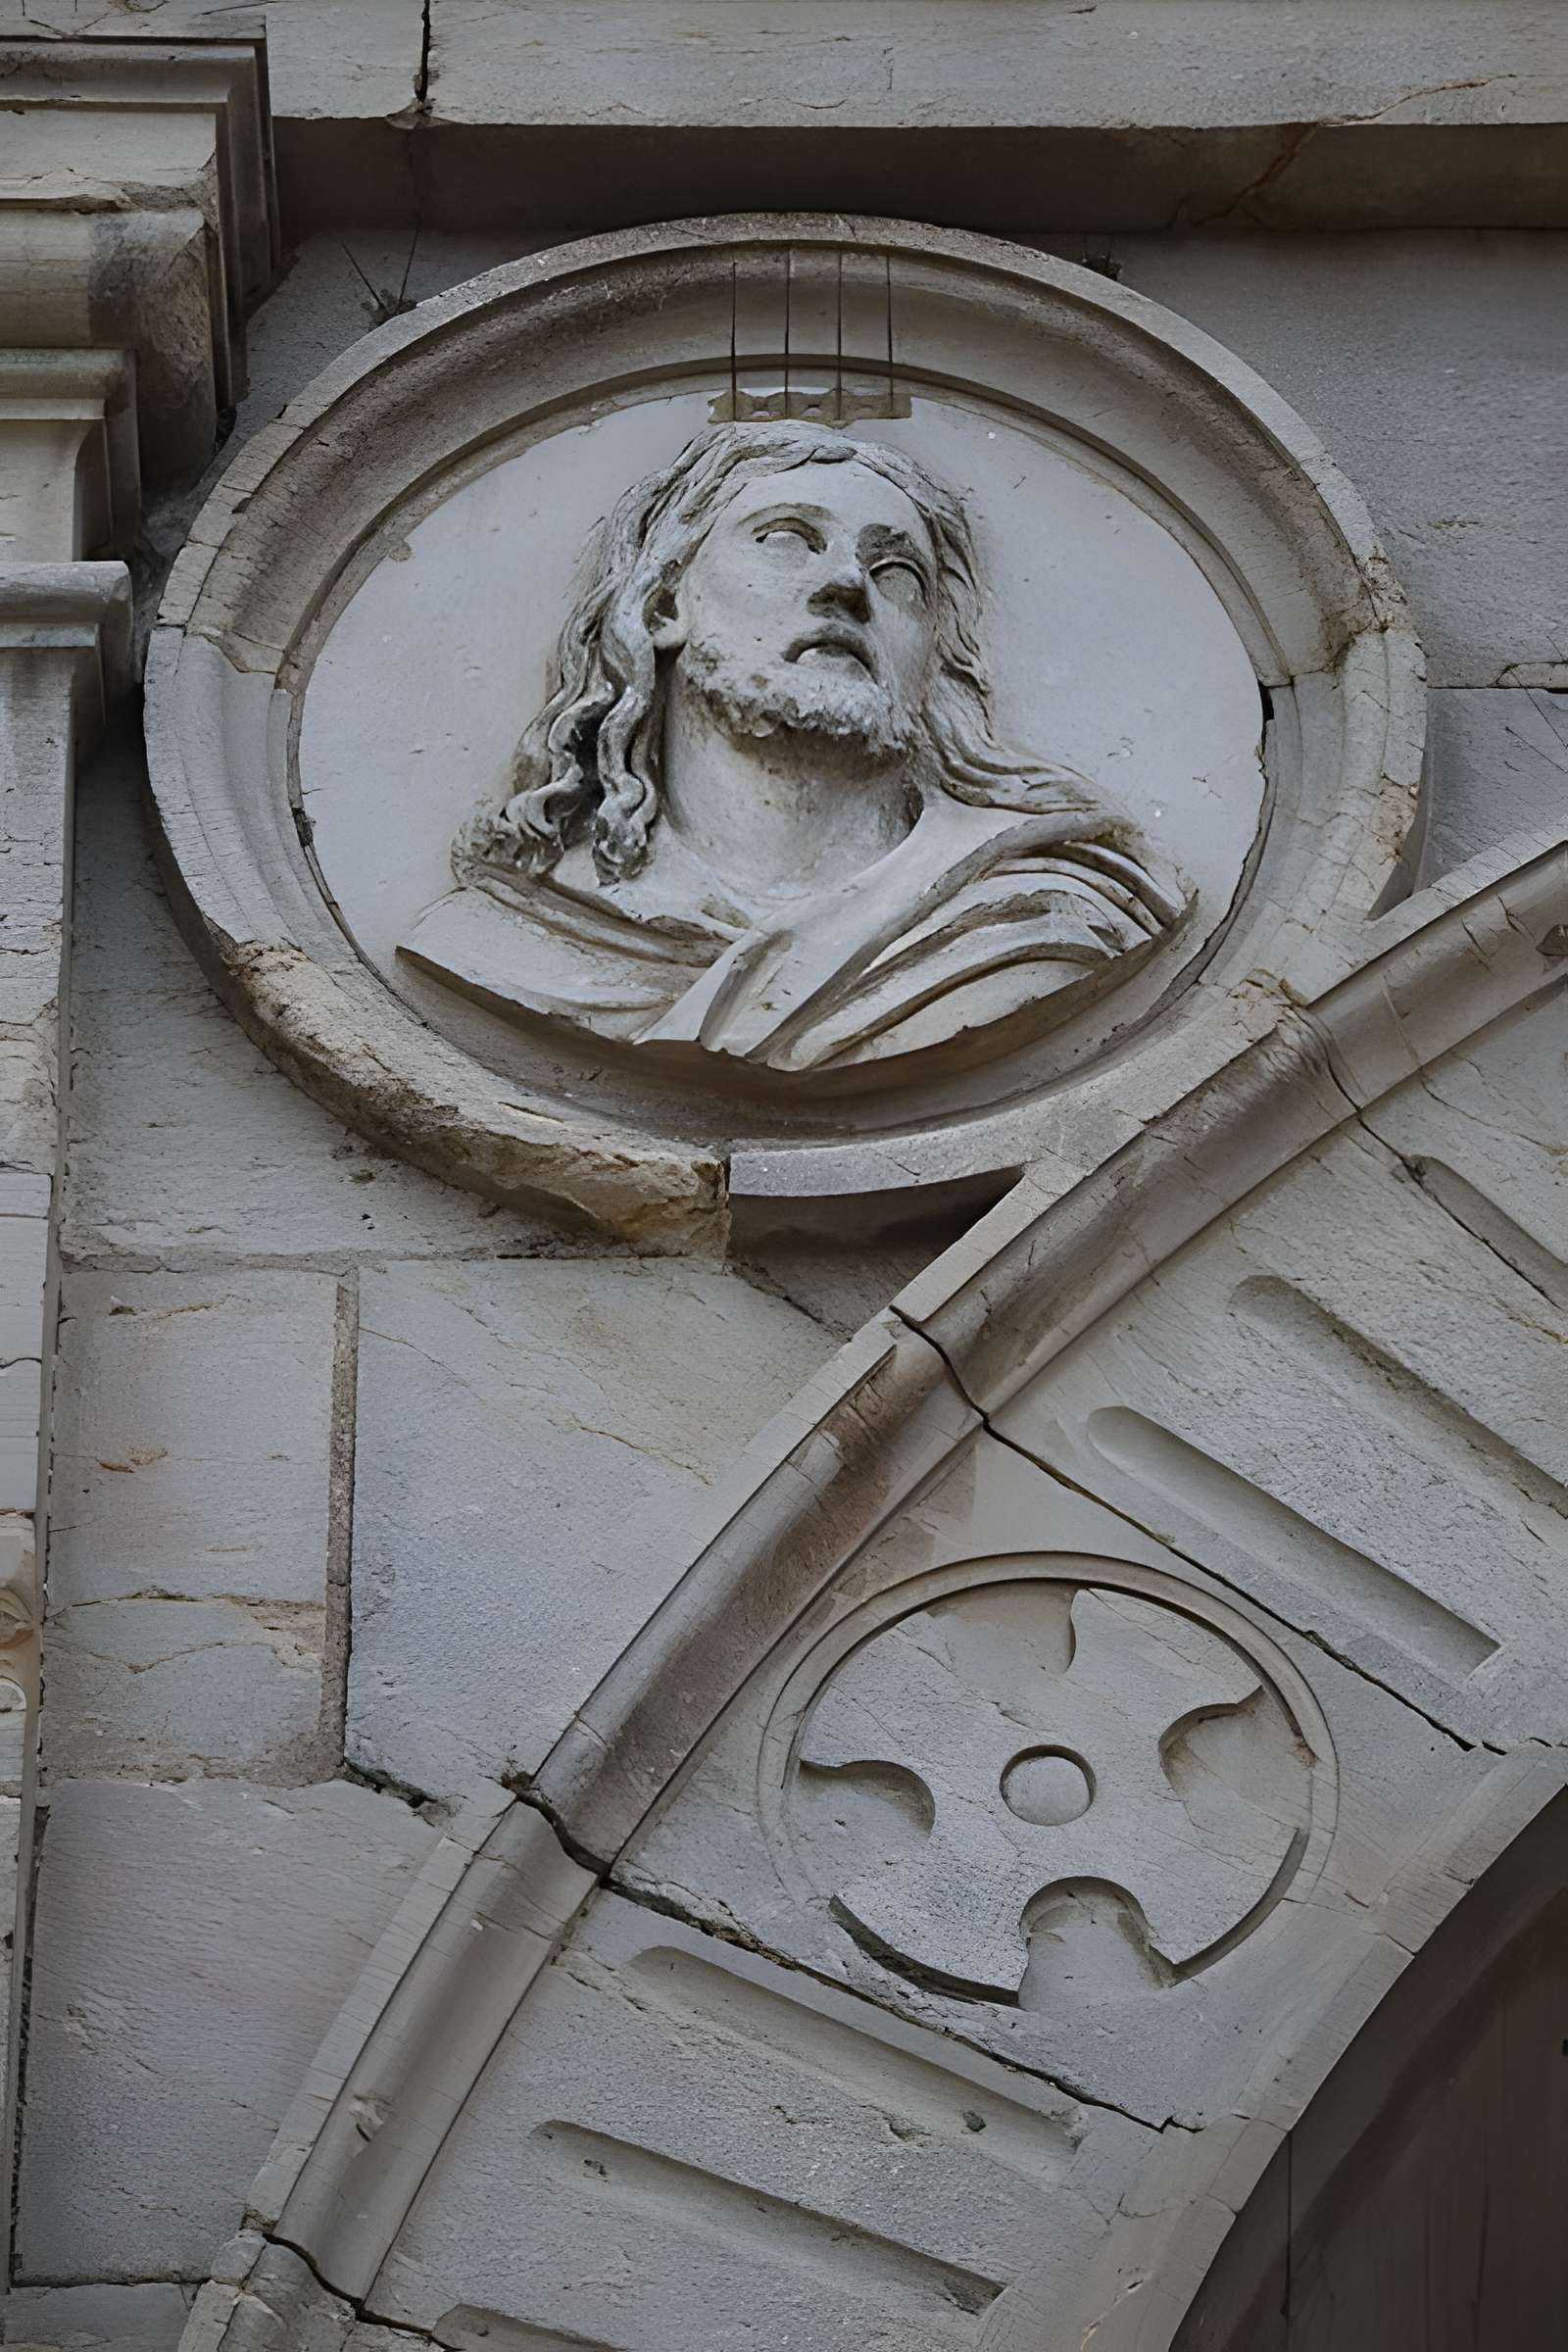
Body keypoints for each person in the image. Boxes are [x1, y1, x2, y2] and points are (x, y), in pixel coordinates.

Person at [401, 419, 1190, 1080]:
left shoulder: (1047, 919)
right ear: (666, 604)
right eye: (786, 540)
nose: (847, 582)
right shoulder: (509, 937)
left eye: (896, 570)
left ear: (932, 654)